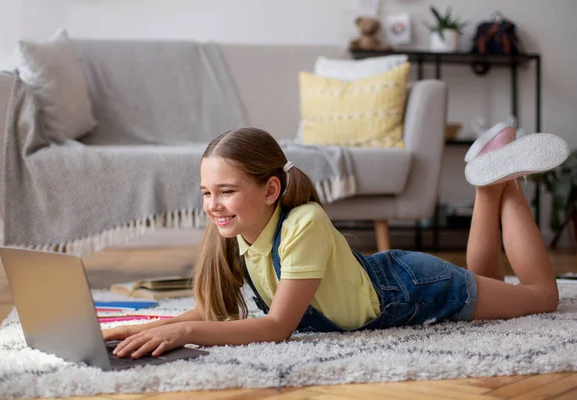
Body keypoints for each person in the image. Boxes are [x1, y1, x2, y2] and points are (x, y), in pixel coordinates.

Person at [103, 126, 569, 359]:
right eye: (207, 193)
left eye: (226, 191)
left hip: (412, 287)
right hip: (393, 281)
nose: (213, 205)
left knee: (541, 299)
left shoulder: (303, 224)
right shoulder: (238, 231)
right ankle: (490, 183)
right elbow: (228, 313)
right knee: (487, 283)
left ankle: (500, 182)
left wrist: (185, 334)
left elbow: (276, 326)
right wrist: (152, 324)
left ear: (270, 190)